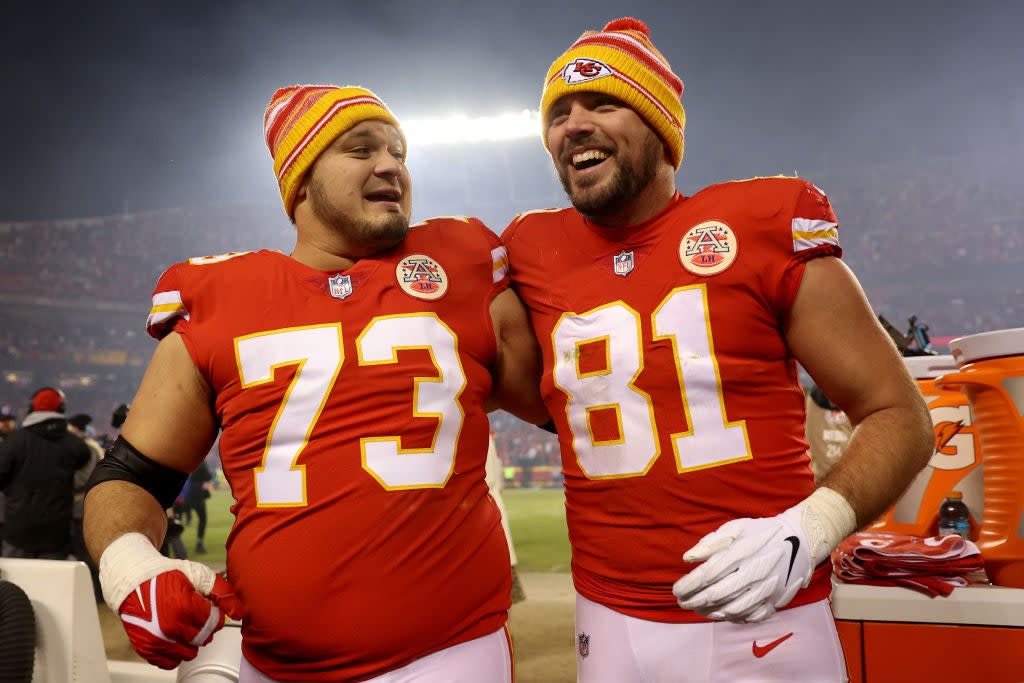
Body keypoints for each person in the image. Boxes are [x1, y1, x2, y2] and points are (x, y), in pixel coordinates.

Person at [501, 18, 934, 682]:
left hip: (763, 611)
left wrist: (815, 524)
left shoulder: (759, 223)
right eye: (559, 113)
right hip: (608, 615)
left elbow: (900, 415)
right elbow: (540, 393)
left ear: (659, 124)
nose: (573, 124)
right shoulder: (532, 248)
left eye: (602, 103)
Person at [84, 84, 546, 681]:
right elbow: (130, 475)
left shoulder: (461, 265)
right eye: (360, 149)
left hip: (448, 654)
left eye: (399, 152)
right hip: (273, 662)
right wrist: (131, 566)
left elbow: (579, 407)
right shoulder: (221, 299)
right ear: (300, 179)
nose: (390, 165)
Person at [0, 387, 91, 559]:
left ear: (31, 409)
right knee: (50, 583)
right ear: (61, 409)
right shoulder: (75, 445)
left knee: (13, 583)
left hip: (17, 530)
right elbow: (83, 464)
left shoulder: (13, 442)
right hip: (56, 532)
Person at [67, 412, 105, 600]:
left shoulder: (86, 448)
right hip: (86, 504)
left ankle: (96, 594)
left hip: (82, 506)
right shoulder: (90, 445)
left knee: (86, 552)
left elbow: (84, 478)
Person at [485, 432, 526, 603]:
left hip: (485, 507)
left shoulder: (480, 435)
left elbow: (487, 480)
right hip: (492, 503)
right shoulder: (487, 436)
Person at [183, 459, 213, 554]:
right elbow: (208, 476)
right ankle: (199, 544)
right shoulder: (201, 462)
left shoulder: (185, 460)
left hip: (184, 492)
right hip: (198, 493)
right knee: (203, 518)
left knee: (176, 518)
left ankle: (173, 543)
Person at [0, 404, 16, 544]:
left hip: (13, 507)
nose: (5, 423)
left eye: (9, 419)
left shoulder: (19, 442)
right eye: (2, 420)